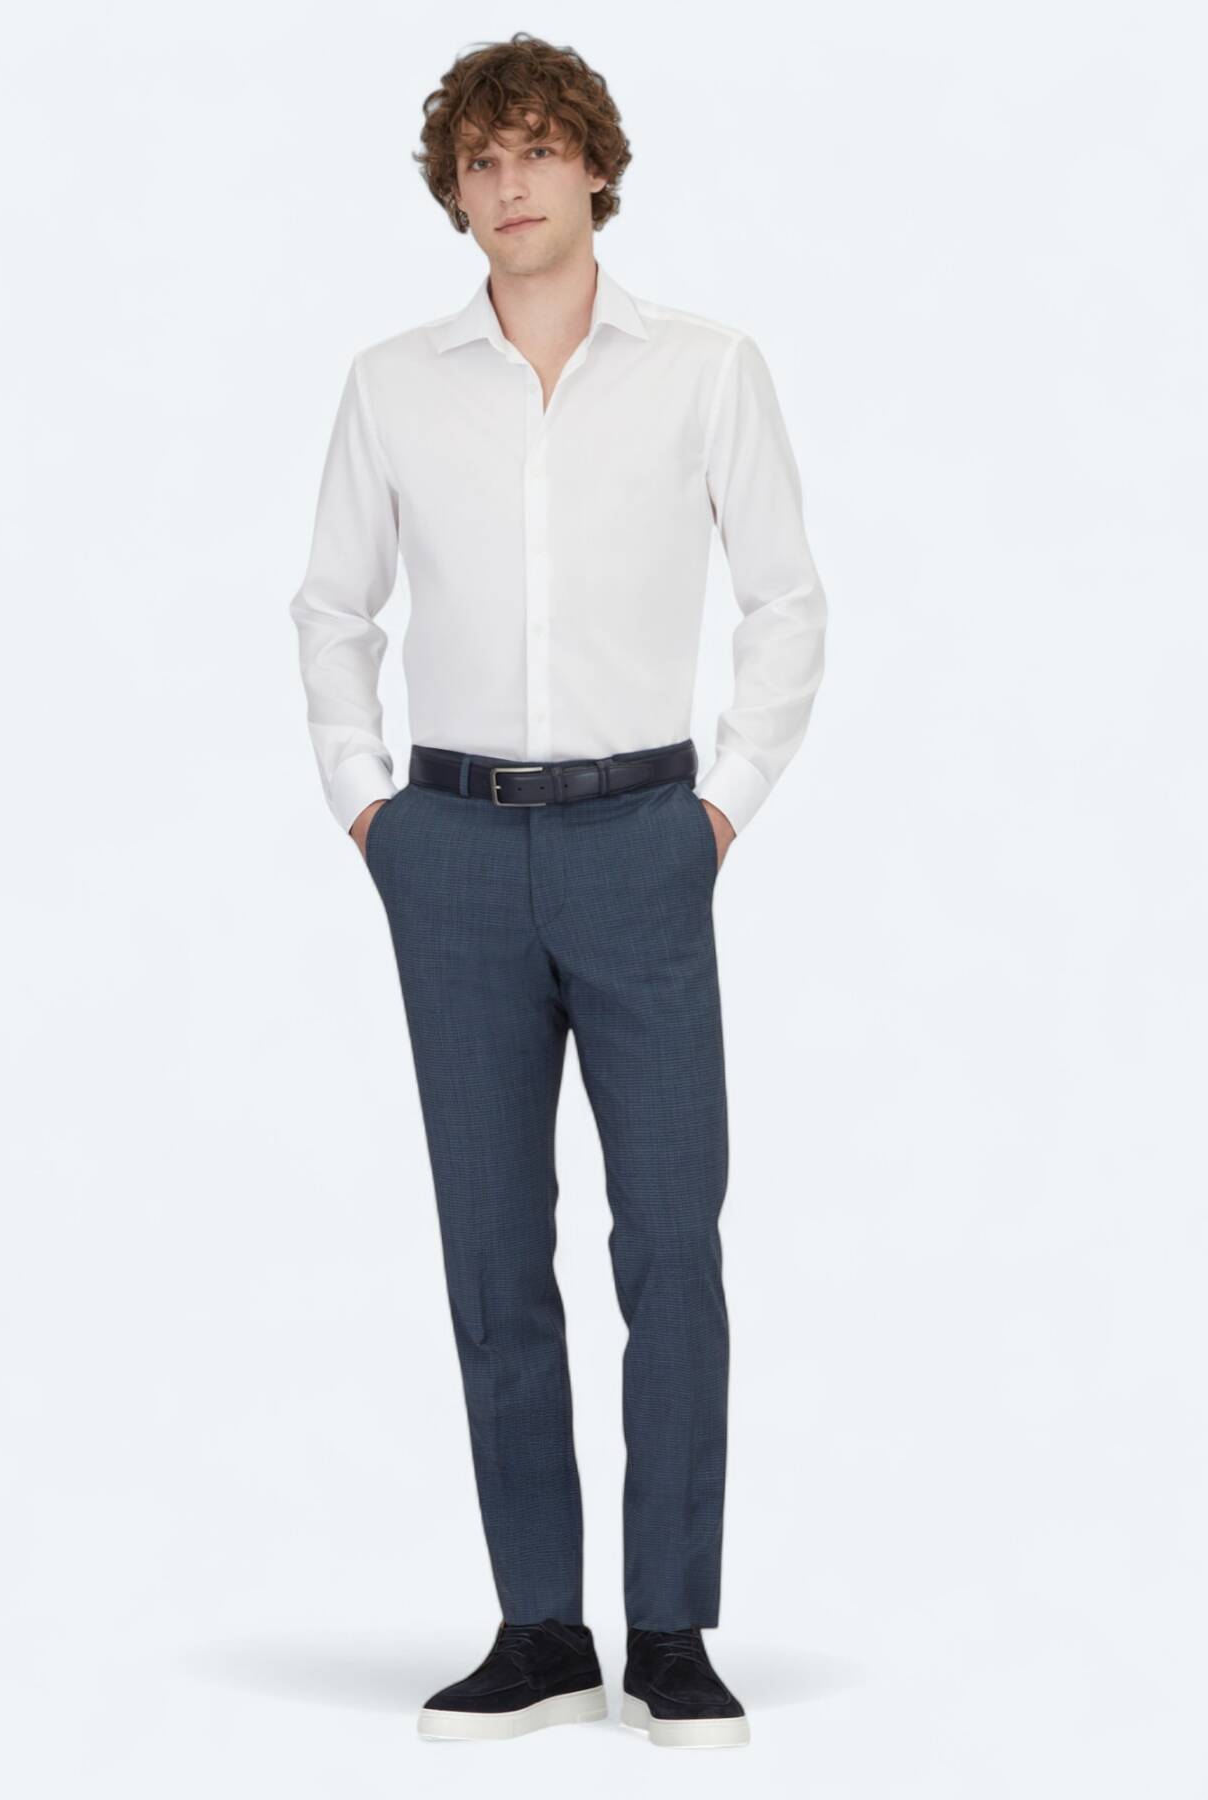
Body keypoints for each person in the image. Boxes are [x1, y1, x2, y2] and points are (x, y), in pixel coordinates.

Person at [289, 32, 826, 1750]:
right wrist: (369, 810)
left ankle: (668, 1629)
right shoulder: (392, 383)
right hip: (447, 849)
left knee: (669, 1239)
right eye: (479, 159)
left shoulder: (707, 369)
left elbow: (786, 601)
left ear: (595, 164)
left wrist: (720, 809)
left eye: (536, 148)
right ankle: (540, 1628)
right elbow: (331, 609)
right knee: (490, 1248)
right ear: (452, 194)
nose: (508, 182)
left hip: (643, 840)